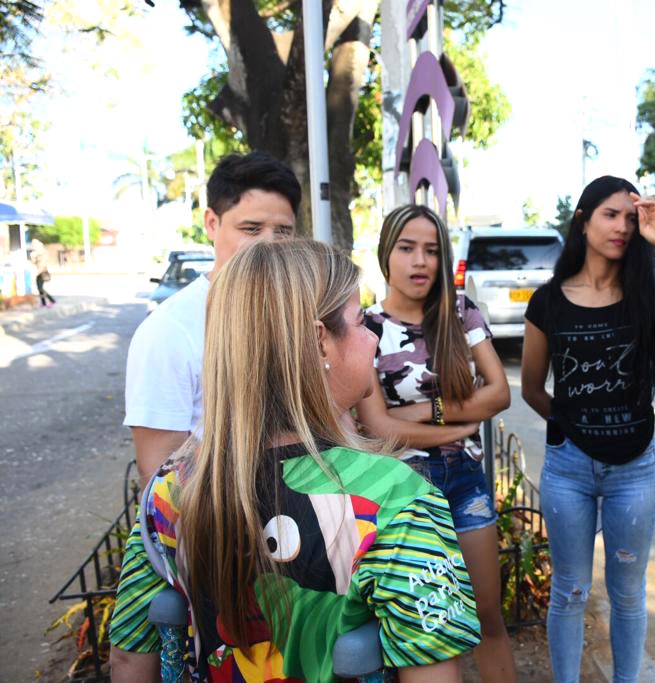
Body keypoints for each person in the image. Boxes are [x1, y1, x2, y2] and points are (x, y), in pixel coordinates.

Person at [108, 240, 480, 682]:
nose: (373, 337)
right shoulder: (394, 496)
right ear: (322, 342)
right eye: (360, 322)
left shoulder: (171, 491)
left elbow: (130, 658)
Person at [520, 176, 655, 683]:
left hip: (635, 471)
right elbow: (533, 389)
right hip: (570, 471)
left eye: (631, 218)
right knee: (570, 590)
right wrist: (572, 430)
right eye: (611, 214)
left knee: (628, 591)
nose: (623, 227)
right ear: (584, 221)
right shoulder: (548, 302)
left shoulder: (647, 295)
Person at [355, 204, 516, 683]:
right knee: (421, 626)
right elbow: (379, 428)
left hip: (465, 484)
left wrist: (429, 411)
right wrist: (455, 429)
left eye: (430, 250)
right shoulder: (364, 328)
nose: (420, 261)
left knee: (487, 615)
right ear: (386, 254)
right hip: (399, 490)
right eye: (407, 248)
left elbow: (499, 393)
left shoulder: (460, 314)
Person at [123, 152, 300, 484]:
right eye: (251, 228)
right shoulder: (167, 331)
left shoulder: (305, 314)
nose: (268, 244)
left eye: (283, 231)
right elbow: (160, 476)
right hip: (223, 527)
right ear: (211, 223)